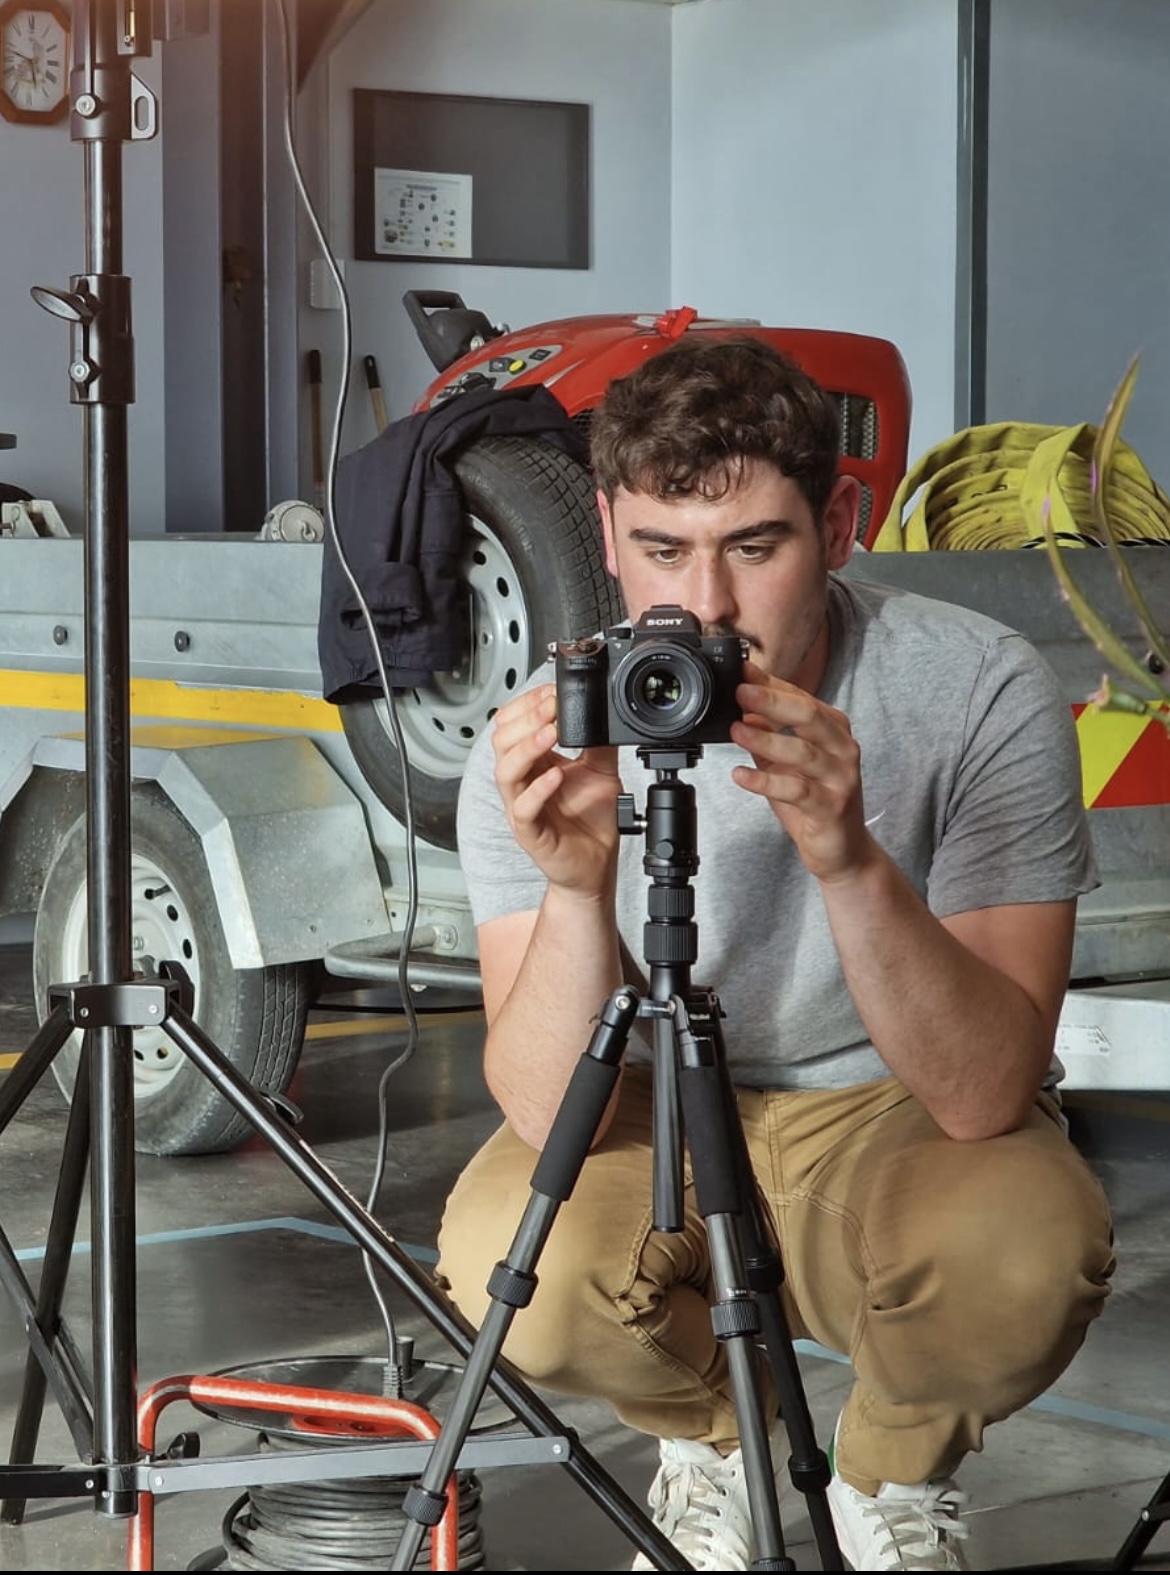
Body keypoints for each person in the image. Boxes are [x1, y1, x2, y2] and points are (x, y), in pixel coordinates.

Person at [436, 336, 1116, 1572]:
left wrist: (850, 858)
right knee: (504, 1256)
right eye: (661, 549)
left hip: (891, 1109)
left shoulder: (974, 691)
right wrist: (577, 889)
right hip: (652, 1113)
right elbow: (546, 1116)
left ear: (841, 523)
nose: (703, 609)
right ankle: (713, 1443)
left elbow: (985, 1091)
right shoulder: (549, 732)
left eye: (755, 547)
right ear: (604, 532)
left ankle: (885, 1473)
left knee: (1026, 1250)